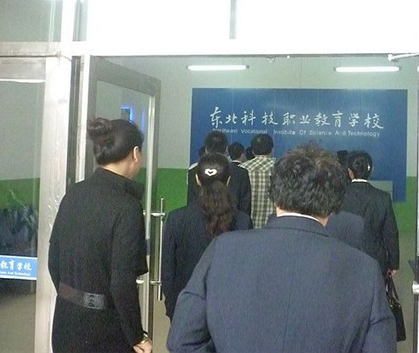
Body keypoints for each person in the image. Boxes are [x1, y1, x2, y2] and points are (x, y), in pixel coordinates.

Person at [167, 143, 397, 353]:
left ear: (275, 196)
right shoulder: (365, 270)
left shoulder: (222, 250)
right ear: (333, 205)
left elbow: (182, 341)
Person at [48, 118, 152, 353]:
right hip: (105, 331)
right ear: (136, 153)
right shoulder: (127, 206)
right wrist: (137, 336)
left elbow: (53, 261)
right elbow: (122, 282)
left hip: (64, 322)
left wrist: (73, 298)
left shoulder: (74, 193)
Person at [161, 153, 253, 320]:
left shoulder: (176, 218)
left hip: (186, 306)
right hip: (227, 310)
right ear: (229, 180)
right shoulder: (243, 221)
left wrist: (172, 308)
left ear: (197, 179)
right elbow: (245, 272)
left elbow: (168, 271)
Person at [341, 150, 400, 282]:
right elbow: (391, 233)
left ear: (349, 172)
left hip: (344, 261)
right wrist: (393, 263)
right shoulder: (383, 198)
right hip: (375, 263)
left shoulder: (338, 197)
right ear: (372, 170)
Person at [187, 131, 251, 217]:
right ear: (226, 149)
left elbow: (191, 203)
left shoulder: (193, 172)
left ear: (206, 149)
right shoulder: (241, 173)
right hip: (232, 221)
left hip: (199, 220)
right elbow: (245, 206)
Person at [242, 133, 275, 228]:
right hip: (273, 228)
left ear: (253, 151)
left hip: (246, 229)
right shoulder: (281, 169)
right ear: (272, 150)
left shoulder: (241, 169)